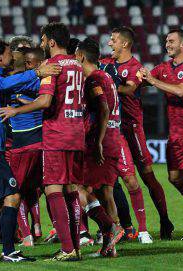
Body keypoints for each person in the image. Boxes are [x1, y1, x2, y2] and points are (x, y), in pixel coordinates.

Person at [0, 39, 60, 262]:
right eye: (9, 53)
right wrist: (38, 71)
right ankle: (9, 252)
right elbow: (7, 85)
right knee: (13, 195)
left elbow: (21, 86)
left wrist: (47, 81)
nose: (12, 57)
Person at [0, 22, 84, 261]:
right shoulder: (77, 64)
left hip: (57, 133)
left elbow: (45, 102)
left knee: (52, 188)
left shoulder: (52, 66)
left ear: (51, 42)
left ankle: (67, 249)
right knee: (71, 189)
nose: (42, 45)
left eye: (44, 41)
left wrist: (16, 111)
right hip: (77, 132)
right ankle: (75, 246)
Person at [140, 28, 183, 240]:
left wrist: (152, 82)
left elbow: (181, 90)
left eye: (171, 41)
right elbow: (143, 79)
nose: (167, 44)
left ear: (182, 45)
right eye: (166, 41)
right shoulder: (163, 68)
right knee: (174, 177)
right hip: (175, 133)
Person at [103, 26, 172, 240]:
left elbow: (130, 88)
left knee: (148, 176)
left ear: (124, 43)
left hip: (133, 128)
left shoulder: (135, 67)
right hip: (115, 129)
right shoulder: (106, 64)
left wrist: (109, 83)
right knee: (125, 180)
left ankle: (164, 220)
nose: (109, 43)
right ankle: (131, 228)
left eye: (113, 40)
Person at [75, 37, 125, 257]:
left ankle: (111, 228)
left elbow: (103, 109)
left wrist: (96, 142)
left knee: (78, 187)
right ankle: (109, 247)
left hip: (102, 142)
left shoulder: (94, 79)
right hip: (114, 139)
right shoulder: (106, 75)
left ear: (81, 57)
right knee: (106, 193)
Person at [8, 47, 45, 246]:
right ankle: (38, 227)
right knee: (39, 188)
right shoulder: (40, 80)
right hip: (43, 140)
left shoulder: (10, 82)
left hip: (22, 142)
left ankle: (27, 237)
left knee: (16, 190)